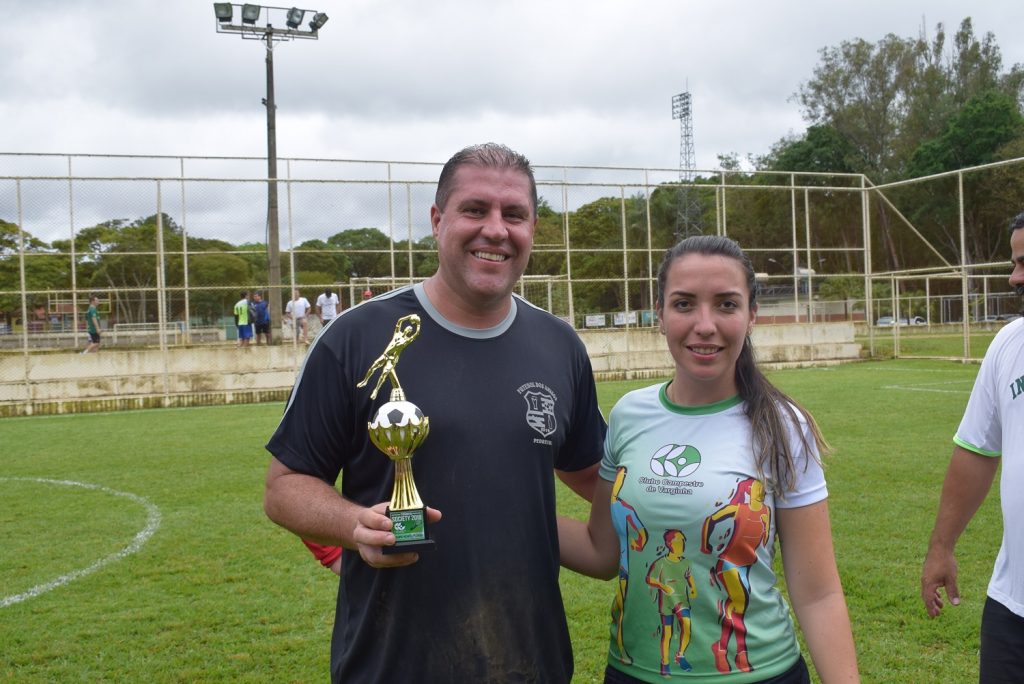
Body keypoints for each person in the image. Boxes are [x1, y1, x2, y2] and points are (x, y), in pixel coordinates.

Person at [262, 143, 606, 683]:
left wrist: (687, 495)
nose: (496, 229)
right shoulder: (356, 338)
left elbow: (594, 476)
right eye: (475, 209)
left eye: (514, 214)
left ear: (532, 229)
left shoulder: (560, 346)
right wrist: (355, 525)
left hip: (531, 665)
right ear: (437, 220)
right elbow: (285, 486)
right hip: (391, 667)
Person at [559, 235, 859, 683]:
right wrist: (509, 509)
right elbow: (602, 552)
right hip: (631, 673)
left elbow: (818, 594)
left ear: (751, 315)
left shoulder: (782, 425)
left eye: (726, 304)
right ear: (659, 315)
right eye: (684, 304)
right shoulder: (628, 415)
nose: (704, 324)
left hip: (761, 675)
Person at [921, 210, 1024, 683]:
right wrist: (941, 547)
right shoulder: (1009, 345)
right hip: (1012, 608)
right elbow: (976, 451)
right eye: (1014, 262)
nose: (1014, 277)